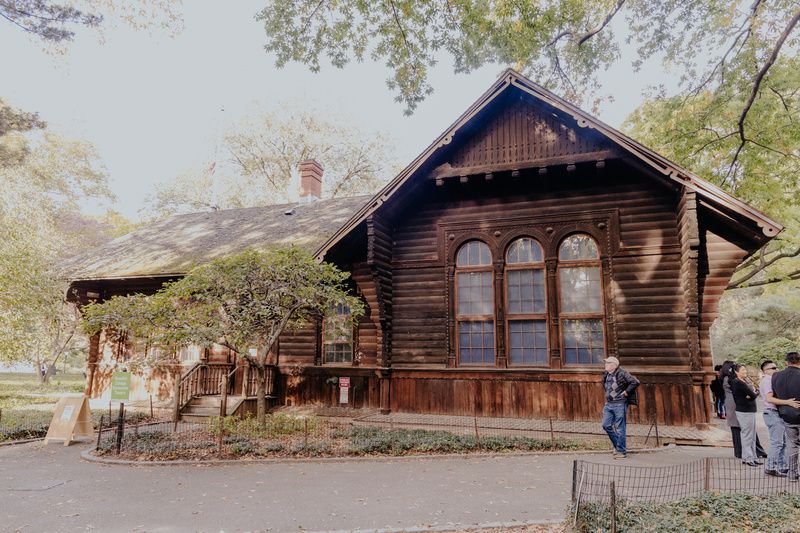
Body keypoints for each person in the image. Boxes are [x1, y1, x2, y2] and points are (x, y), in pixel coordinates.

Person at [721, 360, 768, 459]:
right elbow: (746, 393)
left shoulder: (734, 379)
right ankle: (744, 453)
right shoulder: (730, 379)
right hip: (736, 405)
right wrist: (751, 393)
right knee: (741, 430)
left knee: (747, 430)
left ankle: (754, 452)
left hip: (738, 405)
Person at [601, 356, 640, 459]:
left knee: (620, 428)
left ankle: (622, 452)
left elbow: (635, 382)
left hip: (619, 404)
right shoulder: (606, 374)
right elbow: (605, 387)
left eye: (608, 363)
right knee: (606, 425)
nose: (605, 365)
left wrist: (626, 392)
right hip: (609, 404)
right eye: (606, 363)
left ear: (614, 365)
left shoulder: (622, 373)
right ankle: (618, 446)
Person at [771, 352, 800, 482]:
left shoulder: (776, 376)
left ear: (786, 362)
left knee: (792, 445)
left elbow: (775, 395)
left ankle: (793, 474)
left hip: (787, 415)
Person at [760, 360, 790, 476]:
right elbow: (769, 399)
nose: (776, 369)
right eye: (773, 368)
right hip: (772, 412)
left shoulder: (772, 380)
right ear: (765, 371)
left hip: (775, 413)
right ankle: (770, 467)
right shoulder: (767, 381)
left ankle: (783, 466)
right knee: (777, 443)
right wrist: (787, 402)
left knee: (782, 443)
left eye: (776, 367)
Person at [730, 363, 760, 466]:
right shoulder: (737, 382)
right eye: (742, 370)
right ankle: (747, 458)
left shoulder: (744, 381)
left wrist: (752, 394)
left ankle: (752, 457)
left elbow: (752, 394)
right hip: (744, 411)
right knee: (747, 435)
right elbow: (753, 394)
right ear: (736, 372)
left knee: (752, 435)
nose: (745, 372)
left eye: (745, 370)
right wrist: (754, 394)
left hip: (749, 410)